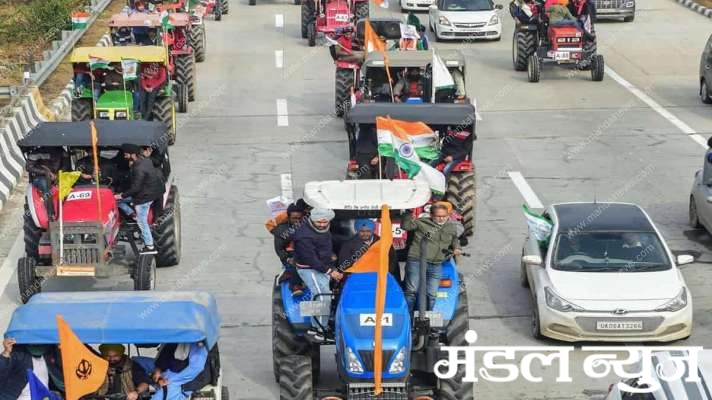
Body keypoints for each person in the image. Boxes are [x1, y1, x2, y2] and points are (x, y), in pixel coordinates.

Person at [401, 203, 461, 313]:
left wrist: (456, 248)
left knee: (432, 293)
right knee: (411, 291)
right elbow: (406, 226)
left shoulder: (451, 227)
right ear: (432, 215)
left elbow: (454, 239)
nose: (442, 218)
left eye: (444, 216)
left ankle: (428, 319)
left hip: (436, 263)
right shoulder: (421, 223)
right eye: (439, 216)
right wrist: (408, 212)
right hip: (417, 261)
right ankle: (408, 318)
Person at [292, 208, 341, 342]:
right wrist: (330, 271)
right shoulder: (303, 236)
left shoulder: (325, 229)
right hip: (309, 269)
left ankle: (313, 327)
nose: (322, 225)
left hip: (322, 266)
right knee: (323, 296)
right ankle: (322, 330)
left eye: (325, 222)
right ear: (312, 219)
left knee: (317, 294)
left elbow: (325, 248)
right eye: (319, 222)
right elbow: (311, 259)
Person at [115, 144, 165, 253]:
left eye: (126, 154)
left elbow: (135, 188)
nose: (124, 156)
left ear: (133, 154)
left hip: (144, 198)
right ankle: (132, 214)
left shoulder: (138, 168)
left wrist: (121, 195)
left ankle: (150, 246)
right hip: (153, 193)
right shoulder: (146, 161)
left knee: (142, 222)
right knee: (117, 201)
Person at [271, 203, 307, 297]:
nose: (297, 221)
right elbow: (279, 250)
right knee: (295, 264)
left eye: (300, 218)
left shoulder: (308, 227)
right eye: (295, 218)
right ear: (289, 217)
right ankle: (295, 286)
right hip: (289, 255)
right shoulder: (282, 231)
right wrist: (287, 259)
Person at [27, 148, 63, 220]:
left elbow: (66, 165)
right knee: (45, 185)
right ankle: (50, 214)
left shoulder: (61, 151)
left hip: (58, 174)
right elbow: (29, 168)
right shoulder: (36, 153)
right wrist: (47, 173)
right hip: (40, 177)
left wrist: (58, 174)